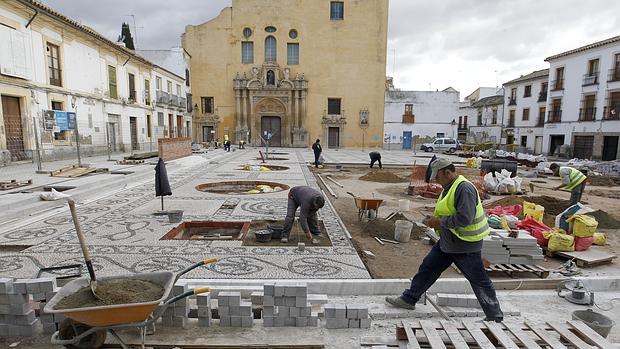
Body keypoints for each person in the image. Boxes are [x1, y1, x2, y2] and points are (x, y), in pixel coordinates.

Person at [385, 158, 504, 323]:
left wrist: (439, 222)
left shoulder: (464, 188)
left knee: (478, 280)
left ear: (447, 172)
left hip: (465, 245)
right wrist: (434, 219)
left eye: (438, 177)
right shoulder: (449, 187)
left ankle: (494, 315)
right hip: (449, 241)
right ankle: (409, 299)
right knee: (428, 268)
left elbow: (465, 218)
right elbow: (449, 210)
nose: (436, 180)